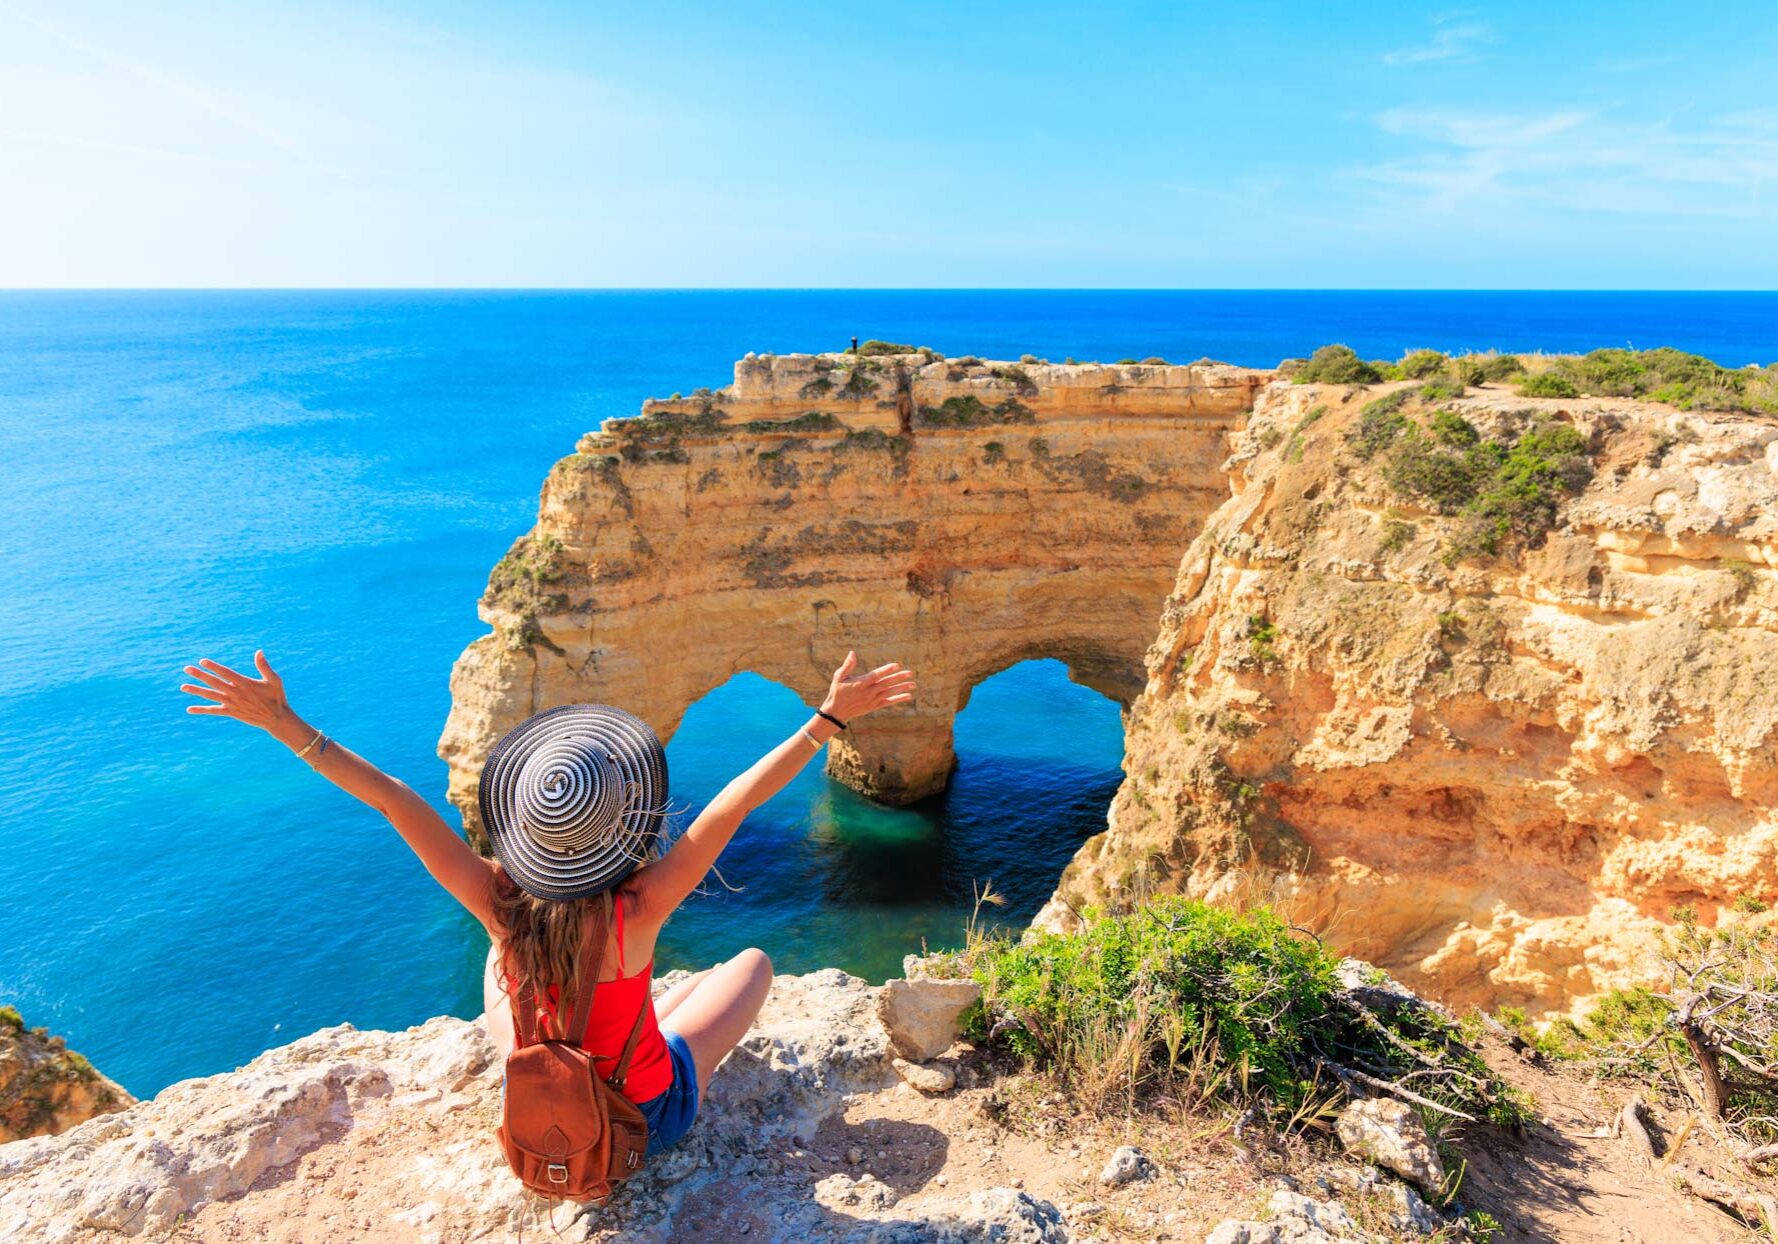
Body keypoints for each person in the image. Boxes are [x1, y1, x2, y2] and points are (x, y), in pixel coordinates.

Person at [178, 648, 915, 1158]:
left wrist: (284, 723)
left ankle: (567, 1048)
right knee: (749, 964)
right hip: (642, 1125)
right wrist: (826, 720)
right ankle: (648, 1043)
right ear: (625, 825)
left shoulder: (498, 902)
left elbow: (393, 800)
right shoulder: (643, 905)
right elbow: (735, 802)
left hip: (540, 1124)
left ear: (524, 829)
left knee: (501, 971)